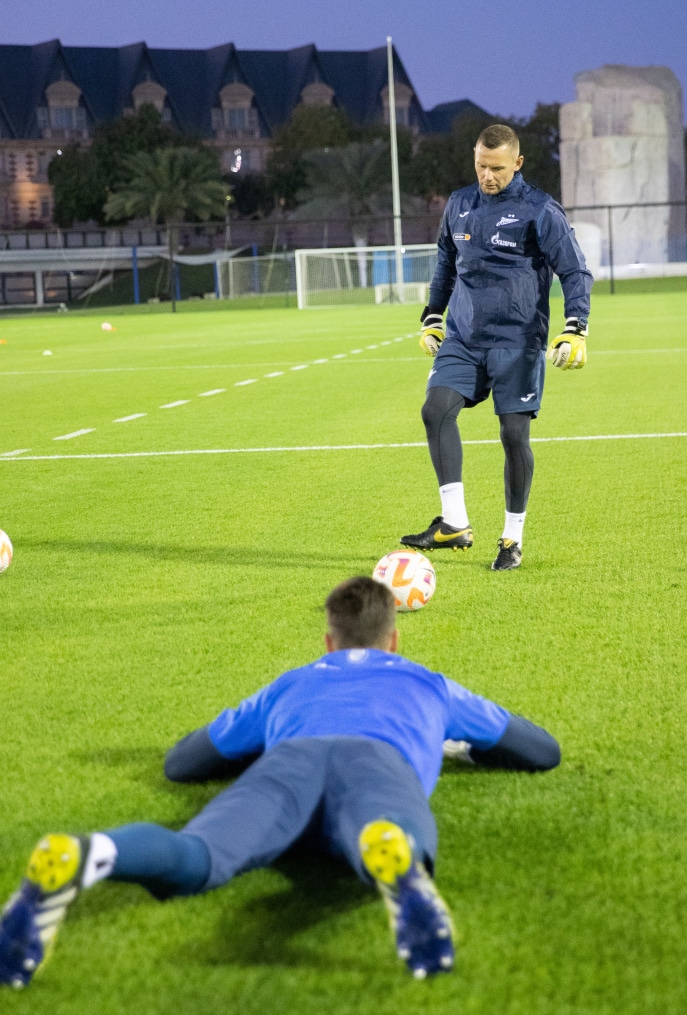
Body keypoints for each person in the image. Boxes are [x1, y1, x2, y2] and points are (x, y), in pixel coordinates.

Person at [0, 576, 560, 987]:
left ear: (328, 642)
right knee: (387, 830)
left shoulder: (288, 686)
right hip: (379, 762)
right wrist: (461, 744)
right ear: (393, 641)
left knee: (196, 854)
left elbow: (183, 763)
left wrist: (262, 747)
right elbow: (540, 751)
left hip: (288, 763)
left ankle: (95, 851)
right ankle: (394, 859)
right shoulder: (429, 683)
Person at [401, 123, 593, 570]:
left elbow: (575, 271)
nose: (488, 176)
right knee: (436, 410)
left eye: (498, 169)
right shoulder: (460, 204)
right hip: (464, 338)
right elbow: (446, 262)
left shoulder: (540, 209)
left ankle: (512, 538)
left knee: (513, 436)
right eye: (481, 166)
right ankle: (454, 524)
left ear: (518, 163)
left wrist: (575, 326)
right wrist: (432, 315)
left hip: (518, 341)